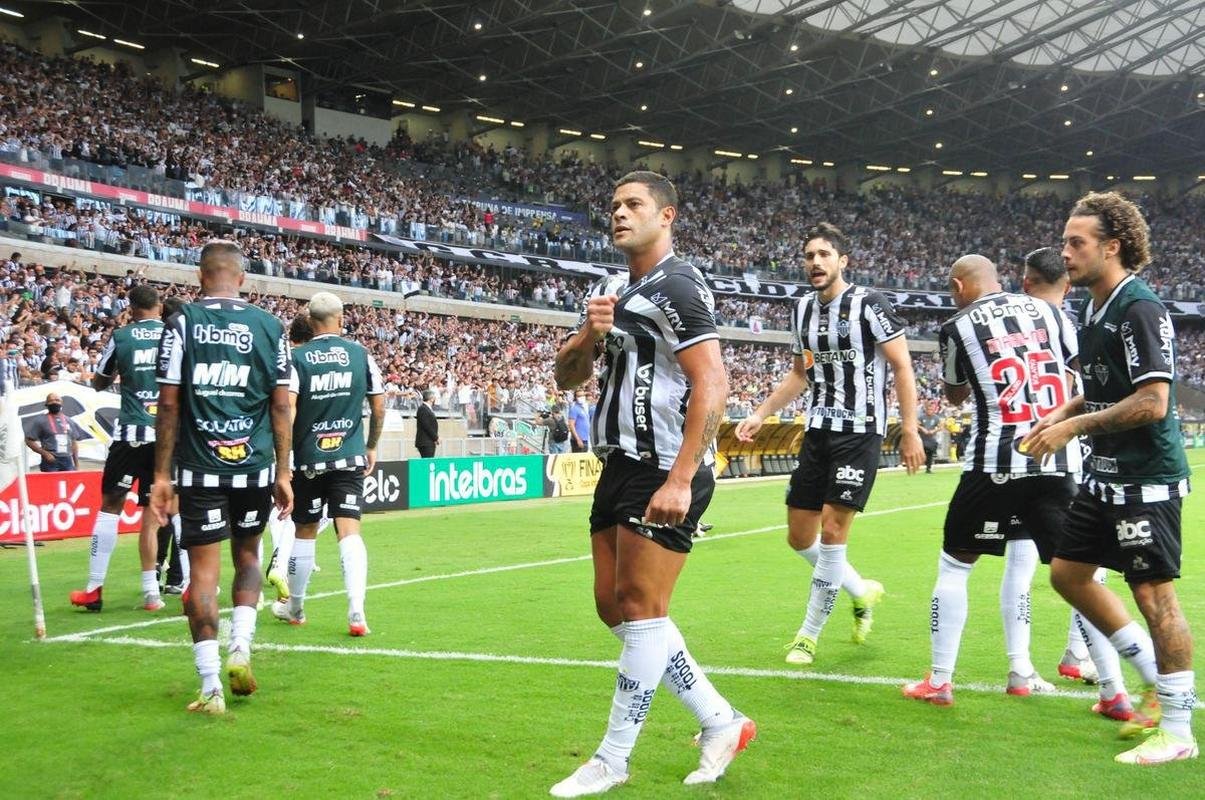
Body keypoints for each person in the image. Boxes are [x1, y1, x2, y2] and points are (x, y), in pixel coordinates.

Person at [550, 171, 754, 796]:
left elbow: (712, 381)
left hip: (666, 466)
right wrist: (591, 332)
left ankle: (613, 758)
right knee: (614, 609)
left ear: (666, 216)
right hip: (619, 465)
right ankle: (720, 720)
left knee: (641, 609)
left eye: (633, 204)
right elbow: (566, 376)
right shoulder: (611, 287)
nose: (619, 213)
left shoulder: (680, 284)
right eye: (614, 205)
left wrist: (683, 476)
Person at [1023, 192, 1196, 764]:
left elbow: (1151, 401)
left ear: (1112, 247)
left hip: (1146, 479)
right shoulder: (1091, 307)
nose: (1065, 253)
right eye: (1066, 241)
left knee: (1155, 596)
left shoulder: (1139, 308)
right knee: (1069, 574)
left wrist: (1075, 429)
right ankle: (1150, 676)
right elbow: (1102, 383)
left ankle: (1177, 730)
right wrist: (1065, 412)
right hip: (1105, 476)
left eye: (1077, 243)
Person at [735, 221, 924, 666]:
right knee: (799, 538)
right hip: (818, 431)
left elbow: (902, 367)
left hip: (861, 432)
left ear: (843, 261)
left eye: (824, 255)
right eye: (809, 256)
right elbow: (801, 374)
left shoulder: (869, 304)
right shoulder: (801, 310)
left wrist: (911, 428)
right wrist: (761, 414)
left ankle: (808, 635)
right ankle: (861, 591)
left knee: (833, 532)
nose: (815, 263)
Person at [902, 254, 1082, 705]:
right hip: (1055, 457)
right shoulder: (1049, 312)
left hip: (996, 460)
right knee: (1071, 570)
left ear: (960, 286)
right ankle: (1087, 681)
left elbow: (955, 390)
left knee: (956, 566)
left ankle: (941, 680)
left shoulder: (957, 326)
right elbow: (1077, 374)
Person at [150, 240, 293, 715]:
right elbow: (280, 405)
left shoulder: (182, 322)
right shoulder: (271, 326)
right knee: (249, 554)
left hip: (197, 468)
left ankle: (211, 686)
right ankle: (241, 648)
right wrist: (284, 470)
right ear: (243, 279)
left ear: (200, 276)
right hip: (253, 466)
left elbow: (168, 402)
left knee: (202, 576)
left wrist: (160, 474)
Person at [272, 291, 385, 636]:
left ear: (310, 319)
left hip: (309, 459)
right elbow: (379, 407)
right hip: (349, 456)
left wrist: (284, 462)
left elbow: (287, 410)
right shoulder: (360, 354)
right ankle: (356, 613)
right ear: (340, 318)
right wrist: (371, 446)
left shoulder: (298, 358)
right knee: (348, 529)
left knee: (304, 531)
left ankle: (296, 607)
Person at [68, 284, 165, 612]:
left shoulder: (122, 337)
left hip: (130, 434)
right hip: (166, 437)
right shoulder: (173, 335)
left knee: (110, 507)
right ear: (159, 306)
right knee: (157, 513)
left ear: (131, 307)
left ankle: (94, 589)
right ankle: (154, 592)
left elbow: (99, 381)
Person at [25, 391, 83, 471]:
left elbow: (74, 443)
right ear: (46, 404)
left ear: (61, 403)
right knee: (50, 483)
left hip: (67, 460)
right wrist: (45, 453)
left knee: (68, 483)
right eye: (51, 400)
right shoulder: (40, 421)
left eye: (57, 400)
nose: (54, 402)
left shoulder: (69, 421)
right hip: (50, 461)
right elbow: (28, 440)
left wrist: (76, 464)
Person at [918, 400, 942, 473]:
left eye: (931, 410)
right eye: (928, 409)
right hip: (922, 438)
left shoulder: (936, 418)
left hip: (931, 438)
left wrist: (934, 431)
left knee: (930, 453)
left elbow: (940, 427)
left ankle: (928, 468)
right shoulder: (921, 417)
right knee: (922, 452)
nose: (929, 411)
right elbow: (916, 424)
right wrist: (922, 429)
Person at [415, 389, 439, 458]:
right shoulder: (423, 409)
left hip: (429, 441)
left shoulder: (427, 409)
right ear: (431, 399)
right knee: (427, 462)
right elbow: (426, 426)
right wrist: (435, 438)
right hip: (425, 441)